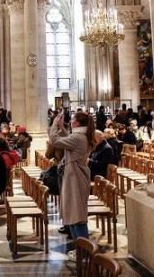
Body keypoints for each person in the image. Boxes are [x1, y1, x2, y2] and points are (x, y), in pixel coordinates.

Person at [48, 111, 96, 261]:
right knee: (74, 214)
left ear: (77, 123)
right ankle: (80, 249)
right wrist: (62, 127)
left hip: (76, 177)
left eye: (73, 120)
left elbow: (55, 141)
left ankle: (85, 252)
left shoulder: (79, 138)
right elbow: (67, 138)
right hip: (73, 176)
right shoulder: (80, 136)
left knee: (78, 216)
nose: (71, 121)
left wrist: (55, 124)